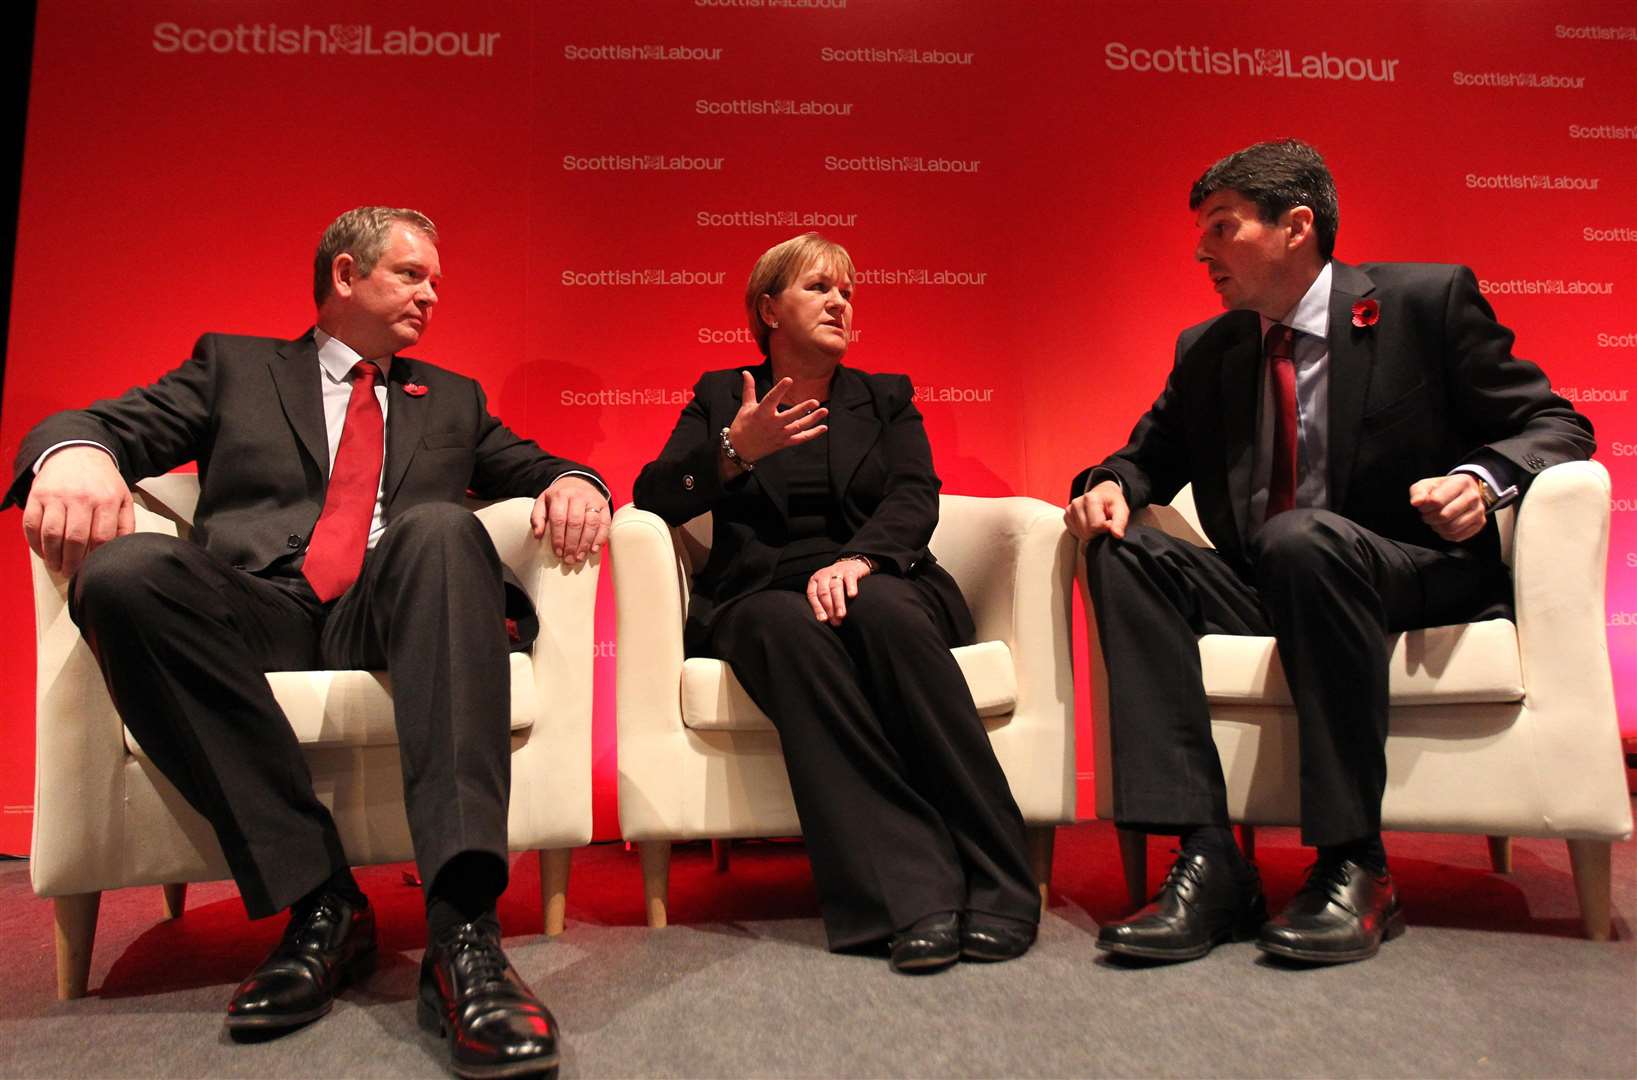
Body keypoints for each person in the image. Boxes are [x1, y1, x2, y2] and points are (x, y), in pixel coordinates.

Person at [5, 207, 608, 1076]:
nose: (432, 295)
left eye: (437, 281)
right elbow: (106, 425)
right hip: (260, 605)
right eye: (412, 275)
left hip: (388, 610)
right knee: (125, 574)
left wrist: (579, 481)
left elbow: (539, 467)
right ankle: (322, 901)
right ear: (345, 275)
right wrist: (70, 453)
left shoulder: (453, 397)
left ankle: (463, 931)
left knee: (442, 529)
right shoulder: (235, 367)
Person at [1066, 140, 1593, 966]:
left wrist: (1479, 478)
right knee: (1121, 552)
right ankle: (1207, 859)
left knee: (1300, 538)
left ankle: (1356, 864)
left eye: (1221, 227)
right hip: (1272, 576)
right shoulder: (1210, 348)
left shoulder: (1425, 300)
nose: (1200, 251)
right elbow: (1145, 456)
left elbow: (1557, 426)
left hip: (1405, 571)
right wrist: (1112, 487)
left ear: (1296, 226)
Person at [633, 233, 1039, 974]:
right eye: (819, 287)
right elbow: (655, 495)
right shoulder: (724, 395)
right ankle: (908, 894)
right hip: (762, 592)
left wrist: (861, 559)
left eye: (847, 291)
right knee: (786, 631)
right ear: (768, 308)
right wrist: (734, 450)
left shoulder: (886, 397)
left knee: (881, 614)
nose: (839, 302)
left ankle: (999, 881)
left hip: (884, 576)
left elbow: (917, 494)